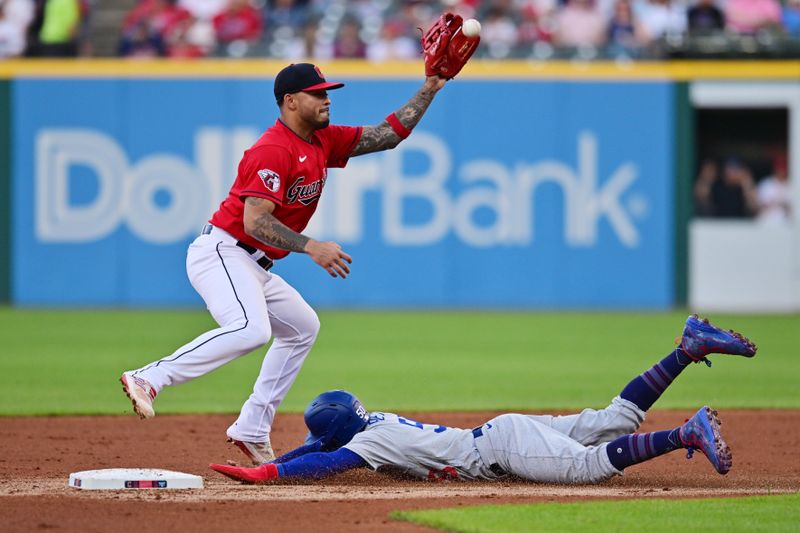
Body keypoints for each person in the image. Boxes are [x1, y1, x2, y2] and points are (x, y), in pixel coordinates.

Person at [120, 62, 451, 465]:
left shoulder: (321, 140)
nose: (327, 99)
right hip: (223, 252)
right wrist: (311, 246)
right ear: (291, 101)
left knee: (302, 327)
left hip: (254, 264)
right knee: (250, 329)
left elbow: (386, 136)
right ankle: (150, 377)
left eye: (327, 91)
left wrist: (431, 86)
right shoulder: (273, 149)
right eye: (318, 93)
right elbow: (254, 220)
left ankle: (253, 426)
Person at [210, 315, 757, 484]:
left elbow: (325, 460)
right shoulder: (369, 423)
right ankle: (686, 349)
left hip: (503, 448)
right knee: (614, 419)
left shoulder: (368, 443)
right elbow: (318, 449)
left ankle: (687, 434)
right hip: (502, 430)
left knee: (589, 469)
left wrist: (269, 474)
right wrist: (274, 460)